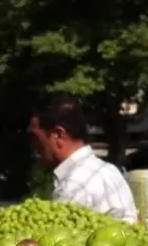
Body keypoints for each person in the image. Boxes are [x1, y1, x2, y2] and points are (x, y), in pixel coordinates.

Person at [29, 92, 138, 223]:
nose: (33, 145)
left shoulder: (75, 187)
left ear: (58, 135)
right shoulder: (109, 170)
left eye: (36, 138)